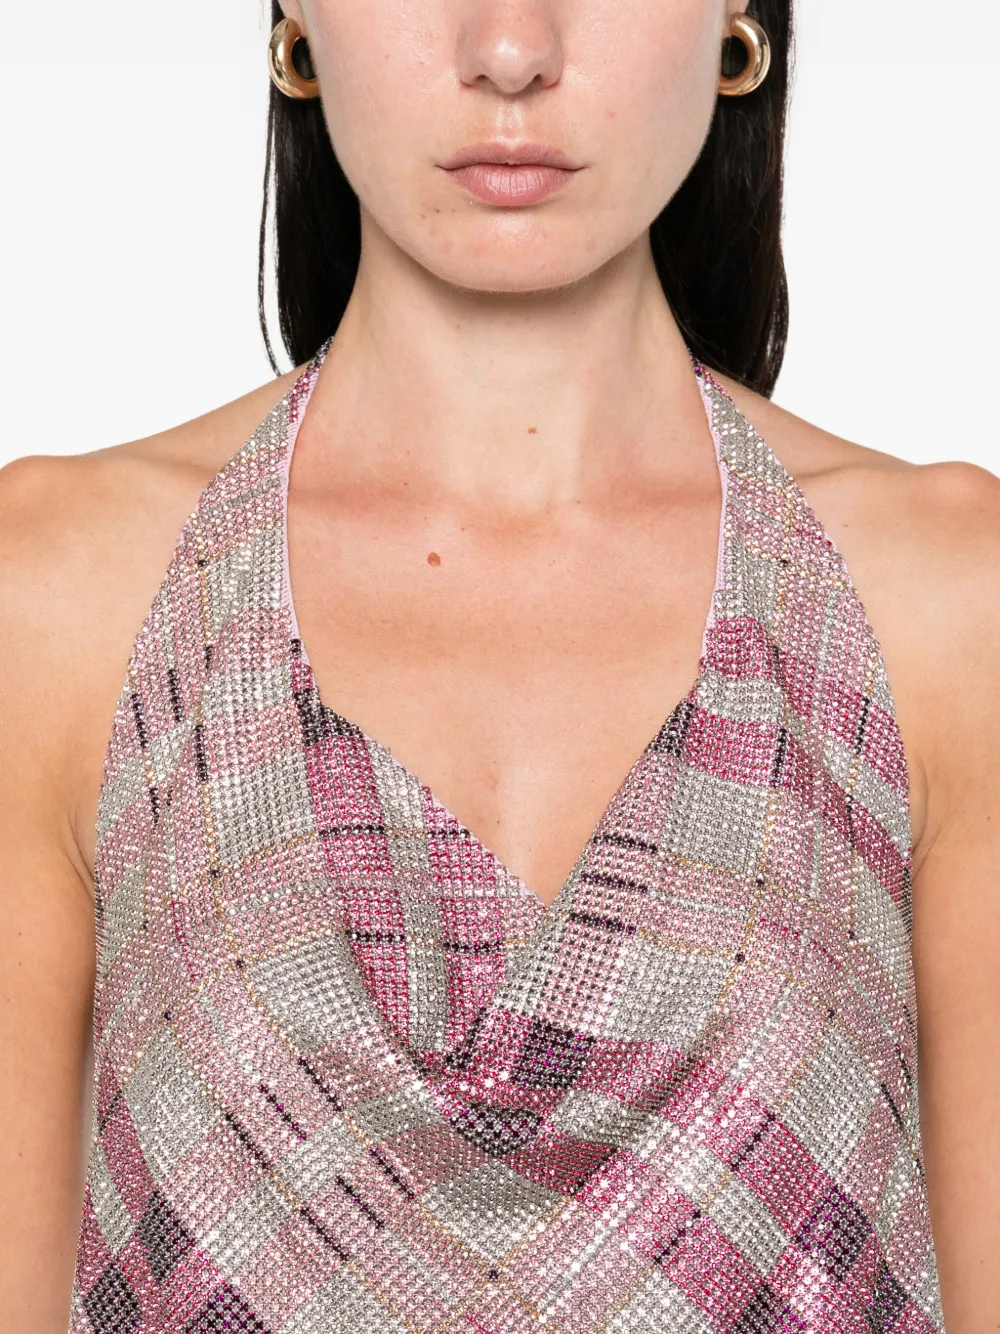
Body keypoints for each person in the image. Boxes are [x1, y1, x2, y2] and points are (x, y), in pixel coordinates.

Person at [1, 1, 997, 1329]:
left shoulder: (948, 603)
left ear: (739, 15)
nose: (513, 50)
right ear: (293, 11)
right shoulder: (57, 597)